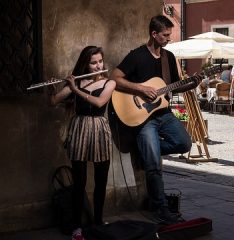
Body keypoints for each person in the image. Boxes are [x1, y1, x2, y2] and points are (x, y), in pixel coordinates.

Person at [110, 15, 199, 224]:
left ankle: (146, 153)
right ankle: (161, 209)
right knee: (154, 167)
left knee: (184, 143)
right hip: (143, 118)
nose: (169, 38)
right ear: (154, 34)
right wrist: (140, 88)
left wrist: (192, 83)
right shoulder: (136, 56)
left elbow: (175, 85)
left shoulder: (168, 57)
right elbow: (114, 78)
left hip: (163, 113)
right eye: (165, 35)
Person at [51, 46, 116, 240]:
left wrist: (75, 90)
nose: (98, 66)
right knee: (79, 182)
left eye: (100, 61)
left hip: (99, 129)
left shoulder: (109, 82)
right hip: (79, 129)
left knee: (101, 180)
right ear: (85, 64)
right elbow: (53, 101)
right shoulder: (77, 81)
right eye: (93, 62)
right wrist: (54, 88)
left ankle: (98, 220)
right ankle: (77, 226)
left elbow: (98, 103)